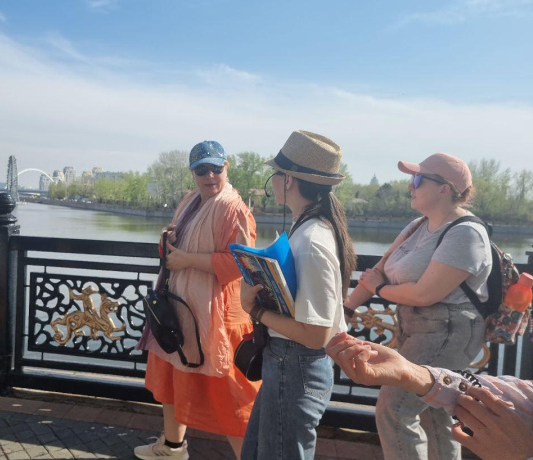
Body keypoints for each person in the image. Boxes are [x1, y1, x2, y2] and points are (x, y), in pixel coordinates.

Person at [343, 152, 493, 460]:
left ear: (445, 189)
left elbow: (424, 294)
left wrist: (380, 289)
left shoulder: (466, 233)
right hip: (417, 328)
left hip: (448, 332)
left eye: (419, 179)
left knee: (395, 409)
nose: (411, 186)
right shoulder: (416, 226)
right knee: (435, 412)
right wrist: (346, 309)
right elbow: (377, 272)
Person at [134, 141, 260, 460]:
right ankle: (172, 447)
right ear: (192, 173)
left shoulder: (235, 209)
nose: (209, 175)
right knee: (175, 379)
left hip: (220, 318)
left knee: (233, 399)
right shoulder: (191, 200)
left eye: (215, 168)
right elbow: (176, 249)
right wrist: (169, 239)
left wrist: (188, 259)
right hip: (183, 308)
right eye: (202, 169)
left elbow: (242, 264)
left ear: (226, 167)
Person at [239, 130, 357, 460]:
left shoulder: (312, 240)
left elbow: (317, 334)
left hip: (295, 366)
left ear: (288, 179)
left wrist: (254, 309)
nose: (273, 181)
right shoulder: (309, 228)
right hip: (288, 363)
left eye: (275, 174)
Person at [326, 332, 533, 460]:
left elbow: (424, 292)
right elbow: (521, 395)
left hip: (444, 330)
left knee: (397, 411)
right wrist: (409, 372)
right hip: (424, 331)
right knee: (433, 417)